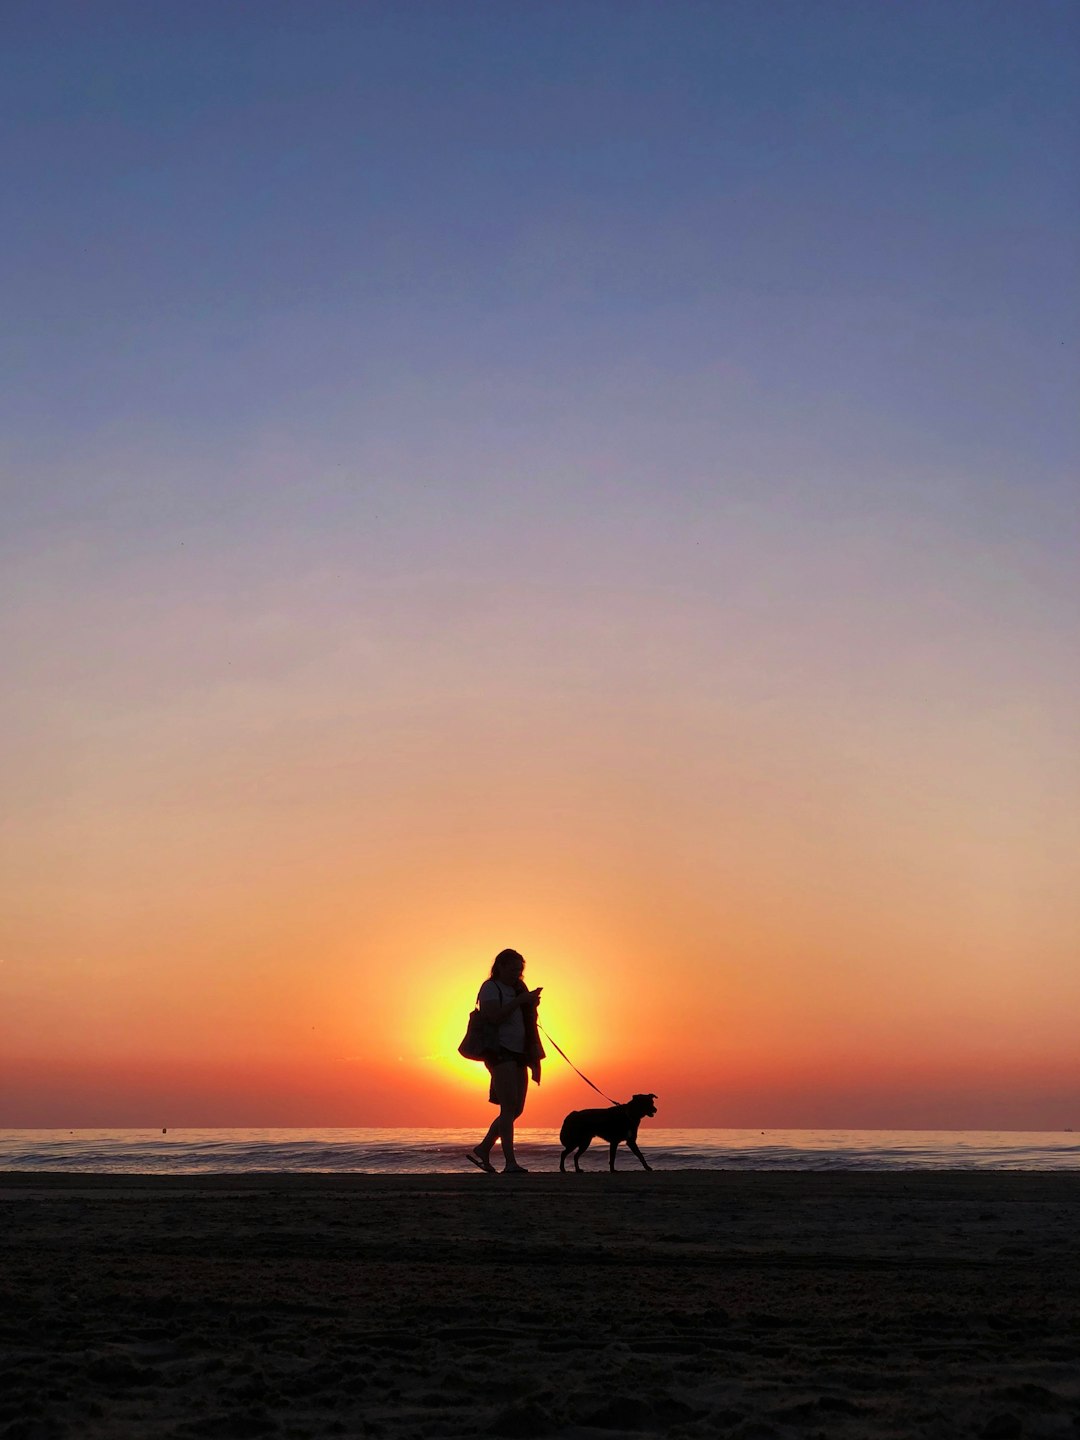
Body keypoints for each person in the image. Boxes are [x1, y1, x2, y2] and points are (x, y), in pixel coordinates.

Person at [465, 948, 544, 1175]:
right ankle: (510, 1162)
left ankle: (484, 1147)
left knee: (517, 1108)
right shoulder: (491, 987)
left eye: (520, 969)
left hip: (520, 1052)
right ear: (500, 967)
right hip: (499, 1051)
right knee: (508, 1108)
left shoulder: (518, 988)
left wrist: (530, 1003)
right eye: (512, 969)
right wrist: (520, 1000)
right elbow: (493, 1017)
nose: (516, 973)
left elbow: (527, 1021)